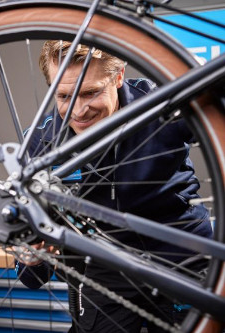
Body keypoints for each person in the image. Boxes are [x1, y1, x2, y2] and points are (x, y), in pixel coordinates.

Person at [16, 41, 213, 332]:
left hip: (182, 257)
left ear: (118, 76)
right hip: (103, 270)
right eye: (64, 95)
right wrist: (31, 257)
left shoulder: (161, 103)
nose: (78, 110)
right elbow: (32, 275)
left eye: (90, 92)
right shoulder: (40, 142)